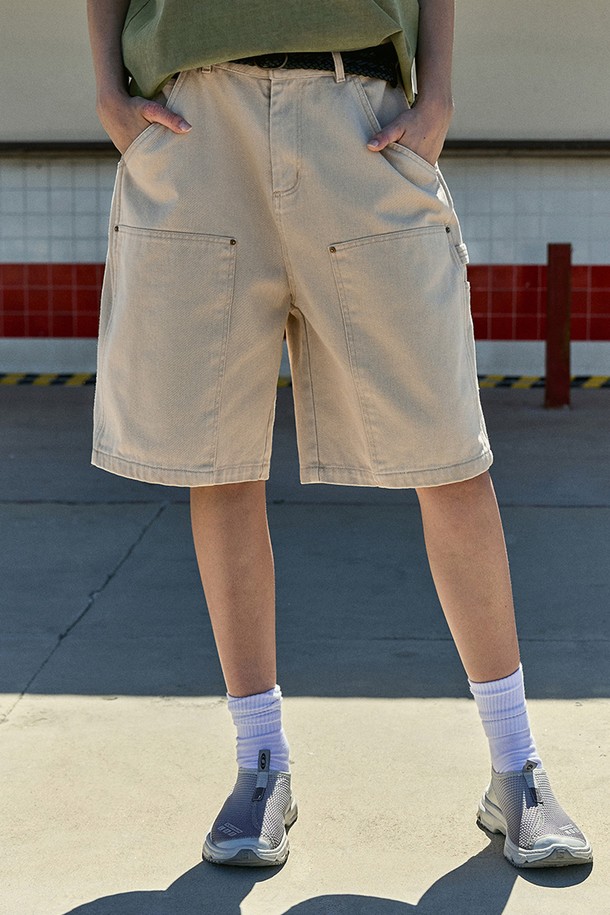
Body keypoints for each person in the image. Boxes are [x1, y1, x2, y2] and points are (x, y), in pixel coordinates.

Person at [87, 0, 592, 870]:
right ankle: (260, 762)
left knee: (448, 448)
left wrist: (438, 93)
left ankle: (517, 766)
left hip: (358, 107)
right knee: (218, 457)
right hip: (192, 118)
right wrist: (106, 89)